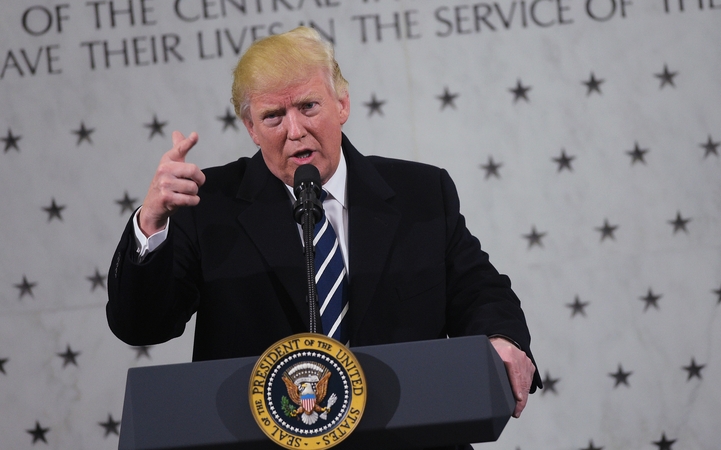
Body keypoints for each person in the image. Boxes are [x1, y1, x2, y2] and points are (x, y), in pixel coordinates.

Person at [106, 27, 541, 424]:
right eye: (273, 116)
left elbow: (480, 289)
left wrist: (502, 339)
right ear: (251, 128)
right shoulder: (206, 204)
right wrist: (151, 222)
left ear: (342, 104)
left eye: (309, 106)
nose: (295, 130)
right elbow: (141, 326)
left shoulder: (421, 192)